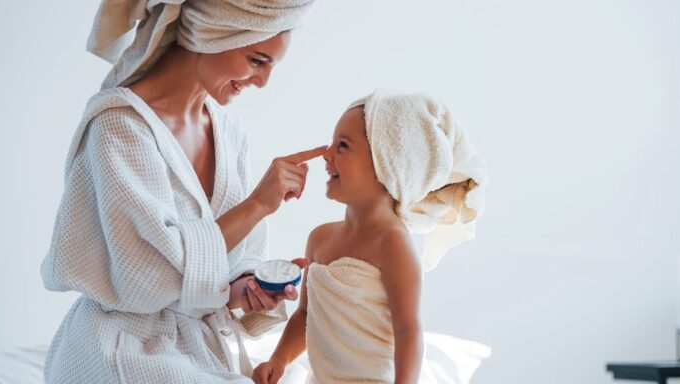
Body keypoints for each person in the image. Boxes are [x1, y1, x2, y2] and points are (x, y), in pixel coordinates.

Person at [39, 1, 320, 382]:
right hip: (125, 346)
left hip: (198, 346)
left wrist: (246, 289)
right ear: (213, 32)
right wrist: (257, 205)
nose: (263, 81)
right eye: (257, 60)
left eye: (271, 66)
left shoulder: (229, 132)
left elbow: (223, 266)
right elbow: (146, 279)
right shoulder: (118, 127)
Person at [252, 90, 488, 384]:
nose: (327, 155)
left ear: (386, 163)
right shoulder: (319, 239)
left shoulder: (392, 243)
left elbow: (407, 329)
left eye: (343, 146)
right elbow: (305, 315)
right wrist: (279, 359)